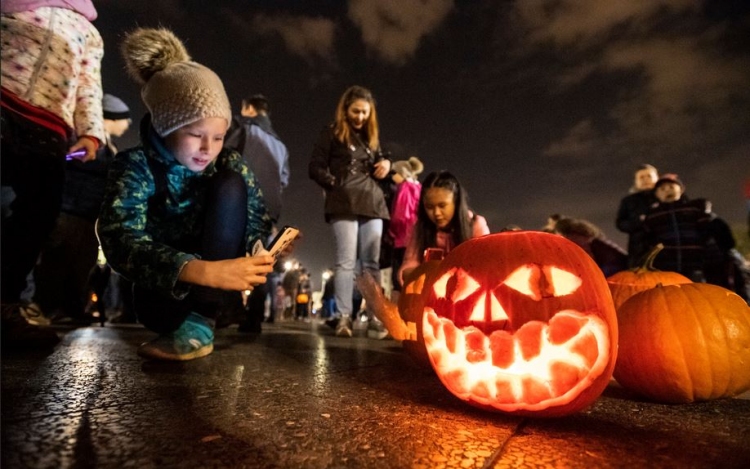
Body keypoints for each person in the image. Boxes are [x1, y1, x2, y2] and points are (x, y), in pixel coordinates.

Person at [97, 27, 274, 361]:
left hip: (220, 292)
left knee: (231, 182)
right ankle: (189, 321)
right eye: (196, 134)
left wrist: (259, 248)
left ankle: (206, 317)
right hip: (164, 291)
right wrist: (199, 270)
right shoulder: (135, 165)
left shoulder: (227, 161)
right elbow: (119, 238)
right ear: (166, 126)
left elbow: (254, 217)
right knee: (159, 310)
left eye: (219, 137)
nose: (209, 148)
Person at [1, 0, 106, 348]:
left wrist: (90, 130)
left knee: (41, 212)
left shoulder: (88, 31)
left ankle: (5, 303)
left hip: (49, 125)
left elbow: (88, 84)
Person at [28, 94, 132, 325]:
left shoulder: (109, 145)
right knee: (57, 262)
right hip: (69, 210)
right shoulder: (86, 140)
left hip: (88, 216)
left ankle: (71, 308)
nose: (128, 124)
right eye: (125, 118)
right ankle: (44, 309)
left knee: (81, 264)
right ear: (111, 117)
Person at [308, 85, 392, 338]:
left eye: (365, 113)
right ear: (345, 109)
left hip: (372, 202)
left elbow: (383, 160)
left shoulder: (372, 138)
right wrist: (335, 184)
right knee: (345, 262)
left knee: (371, 262)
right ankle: (344, 317)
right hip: (343, 201)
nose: (360, 117)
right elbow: (315, 166)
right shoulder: (331, 133)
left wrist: (386, 164)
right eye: (356, 111)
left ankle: (377, 317)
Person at [224, 94, 290, 331]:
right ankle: (254, 318)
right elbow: (283, 180)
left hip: (240, 196)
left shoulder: (243, 128)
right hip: (269, 206)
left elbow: (226, 155)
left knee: (229, 250)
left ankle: (231, 307)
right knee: (259, 257)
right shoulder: (280, 145)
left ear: (248, 108)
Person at [398, 170, 490, 285]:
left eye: (442, 205)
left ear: (456, 203)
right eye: (429, 207)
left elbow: (486, 264)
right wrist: (415, 274)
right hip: (429, 291)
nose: (436, 213)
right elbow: (410, 263)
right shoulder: (420, 228)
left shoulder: (475, 225)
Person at [642, 173, 711, 281]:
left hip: (694, 263)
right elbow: (648, 239)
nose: (667, 190)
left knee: (696, 292)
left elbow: (706, 232)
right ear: (656, 194)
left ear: (681, 189)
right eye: (662, 189)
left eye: (671, 187)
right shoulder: (653, 215)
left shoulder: (694, 208)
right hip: (665, 265)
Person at [387, 156, 424, 303]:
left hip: (402, 238)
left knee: (398, 278)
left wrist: (391, 232)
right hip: (416, 239)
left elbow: (399, 216)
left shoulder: (404, 188)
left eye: (393, 173)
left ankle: (398, 313)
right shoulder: (419, 188)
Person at [546, 214, 628, 277]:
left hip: (615, 264)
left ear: (561, 231)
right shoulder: (583, 235)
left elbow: (587, 257)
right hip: (619, 261)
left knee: (598, 281)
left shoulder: (575, 239)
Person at [616, 164, 659, 267]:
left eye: (649, 176)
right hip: (638, 249)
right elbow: (620, 223)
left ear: (657, 178)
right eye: (641, 177)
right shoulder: (628, 201)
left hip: (664, 248)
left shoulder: (664, 197)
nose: (645, 180)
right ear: (636, 181)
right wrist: (638, 223)